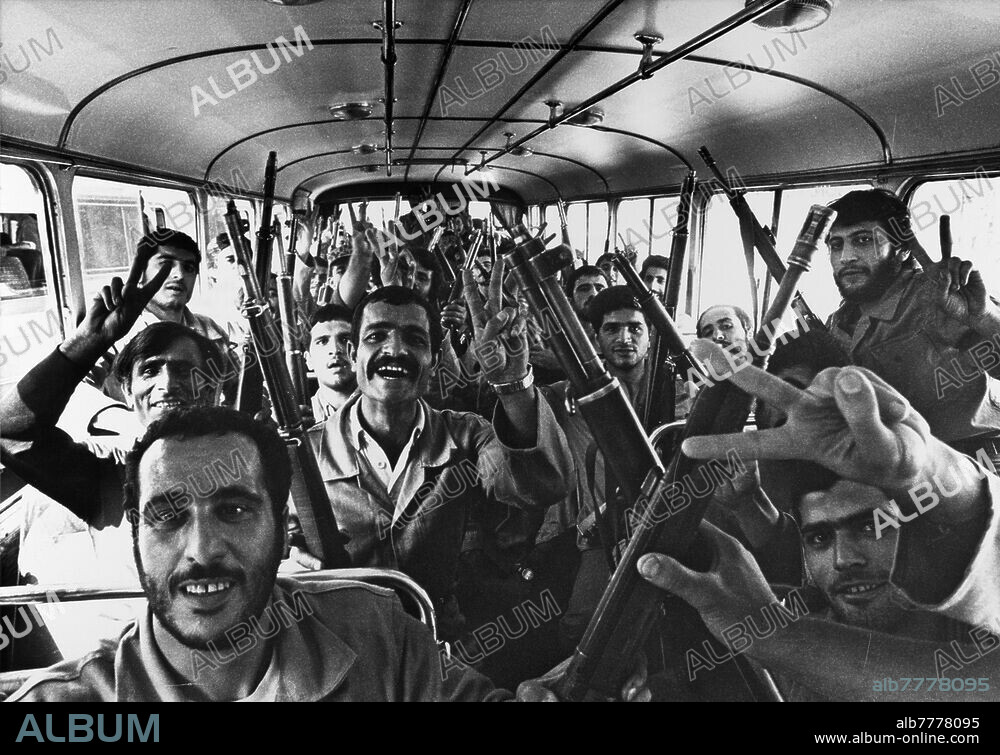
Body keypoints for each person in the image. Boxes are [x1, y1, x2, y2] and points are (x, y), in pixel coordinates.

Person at [8, 407, 506, 702]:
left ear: (284, 531)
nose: (201, 550)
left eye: (234, 510)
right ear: (135, 534)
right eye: (169, 516)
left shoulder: (380, 637)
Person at [638, 341, 1000, 701]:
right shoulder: (796, 615)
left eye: (872, 527)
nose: (845, 559)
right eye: (819, 539)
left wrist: (930, 469)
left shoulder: (974, 637)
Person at [300, 266, 572, 639]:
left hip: (437, 635)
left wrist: (512, 384)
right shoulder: (304, 453)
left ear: (432, 357)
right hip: (342, 638)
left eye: (415, 339)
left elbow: (541, 487)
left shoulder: (464, 433)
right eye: (377, 336)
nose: (395, 350)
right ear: (352, 352)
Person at [825, 189, 1000, 462]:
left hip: (971, 458)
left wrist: (982, 317)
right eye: (836, 245)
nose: (846, 257)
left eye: (862, 240)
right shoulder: (838, 322)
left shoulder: (939, 297)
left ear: (903, 249)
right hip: (894, 465)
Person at [536, 286, 653, 650]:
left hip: (666, 522)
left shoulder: (678, 394)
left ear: (651, 337)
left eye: (635, 329)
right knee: (582, 627)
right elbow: (523, 408)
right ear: (596, 339)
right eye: (611, 329)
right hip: (601, 536)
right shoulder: (569, 395)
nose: (624, 338)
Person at [304, 304, 357, 421]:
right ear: (309, 360)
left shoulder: (387, 409)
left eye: (345, 339)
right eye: (322, 341)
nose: (335, 350)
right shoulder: (298, 413)